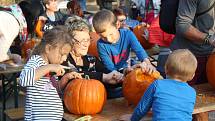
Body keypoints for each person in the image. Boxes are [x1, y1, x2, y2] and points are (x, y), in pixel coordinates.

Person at [19, 26, 82, 120]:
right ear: (48, 49)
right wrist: (48, 67)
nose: (64, 58)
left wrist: (66, 78)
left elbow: (54, 91)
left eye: (66, 55)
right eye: (62, 54)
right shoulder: (36, 61)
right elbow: (23, 80)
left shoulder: (50, 65)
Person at [63, 17, 123, 97]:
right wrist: (103, 77)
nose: (86, 44)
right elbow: (74, 76)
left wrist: (123, 73)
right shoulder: (63, 59)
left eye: (87, 40)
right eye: (81, 41)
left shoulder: (91, 59)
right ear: (70, 41)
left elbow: (108, 73)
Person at [130, 49, 197, 121]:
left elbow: (142, 109)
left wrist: (132, 119)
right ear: (192, 76)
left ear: (165, 68)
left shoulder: (157, 85)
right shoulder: (192, 92)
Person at [92, 9, 155, 74]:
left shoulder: (127, 34)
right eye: (103, 37)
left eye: (111, 34)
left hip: (127, 67)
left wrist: (147, 62)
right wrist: (123, 72)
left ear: (117, 25)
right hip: (112, 74)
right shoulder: (101, 45)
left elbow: (139, 50)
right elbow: (109, 67)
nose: (108, 39)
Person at [171, 0, 215, 85]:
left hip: (211, 57)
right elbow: (182, 25)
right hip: (187, 59)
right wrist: (210, 39)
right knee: (183, 95)